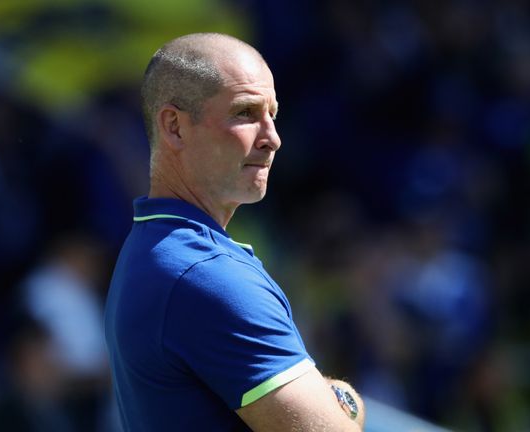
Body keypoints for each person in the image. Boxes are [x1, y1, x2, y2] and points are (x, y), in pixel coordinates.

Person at [104, 33, 365, 431]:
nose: (272, 138)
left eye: (272, 114)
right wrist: (344, 400)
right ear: (174, 126)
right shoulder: (205, 275)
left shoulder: (153, 249)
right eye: (245, 113)